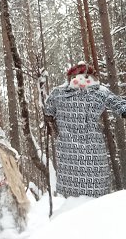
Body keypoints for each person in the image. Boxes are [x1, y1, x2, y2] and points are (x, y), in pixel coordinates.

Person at [44, 62, 126, 198]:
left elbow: (119, 104)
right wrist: (51, 124)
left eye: (85, 77)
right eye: (77, 76)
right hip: (68, 153)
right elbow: (48, 114)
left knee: (96, 198)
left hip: (92, 152)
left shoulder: (100, 92)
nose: (81, 80)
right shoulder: (58, 93)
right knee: (70, 199)